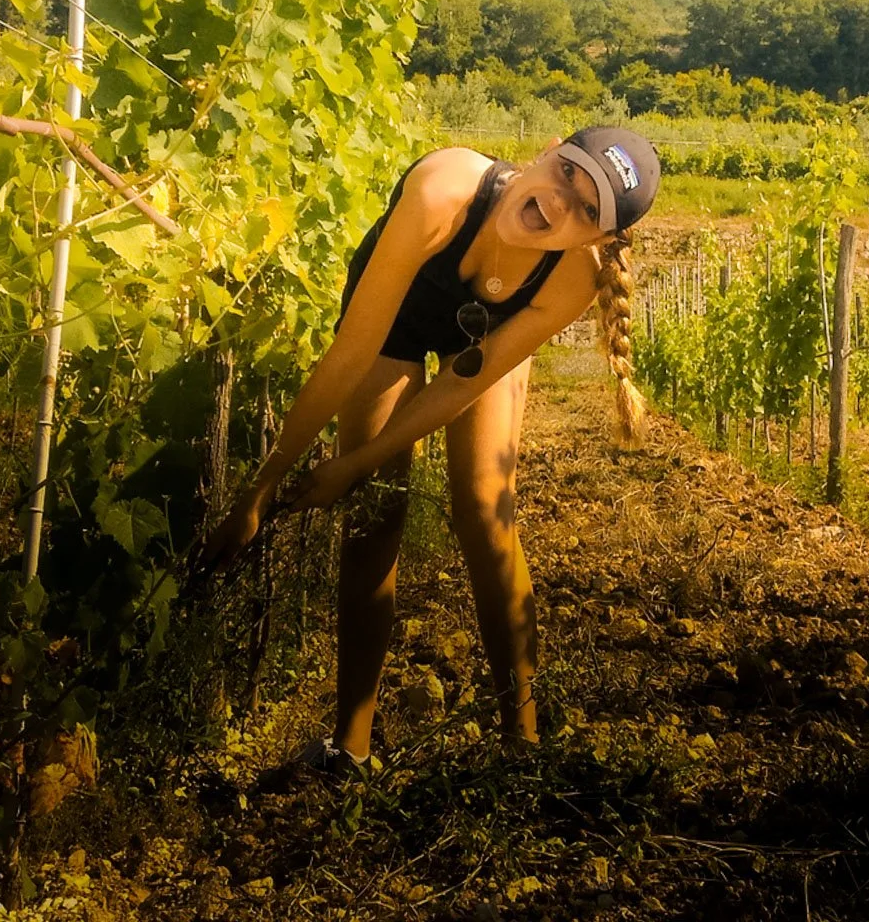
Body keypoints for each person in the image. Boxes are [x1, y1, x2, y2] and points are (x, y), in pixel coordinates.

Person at [202, 126, 661, 771]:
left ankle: (522, 751)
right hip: (393, 321)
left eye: (586, 210)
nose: (559, 203)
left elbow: (466, 378)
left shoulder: (571, 280)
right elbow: (354, 350)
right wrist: (264, 486)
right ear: (549, 148)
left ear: (599, 239)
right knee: (373, 514)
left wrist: (352, 461)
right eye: (566, 173)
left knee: (483, 508)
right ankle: (350, 750)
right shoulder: (443, 190)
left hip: (480, 343)